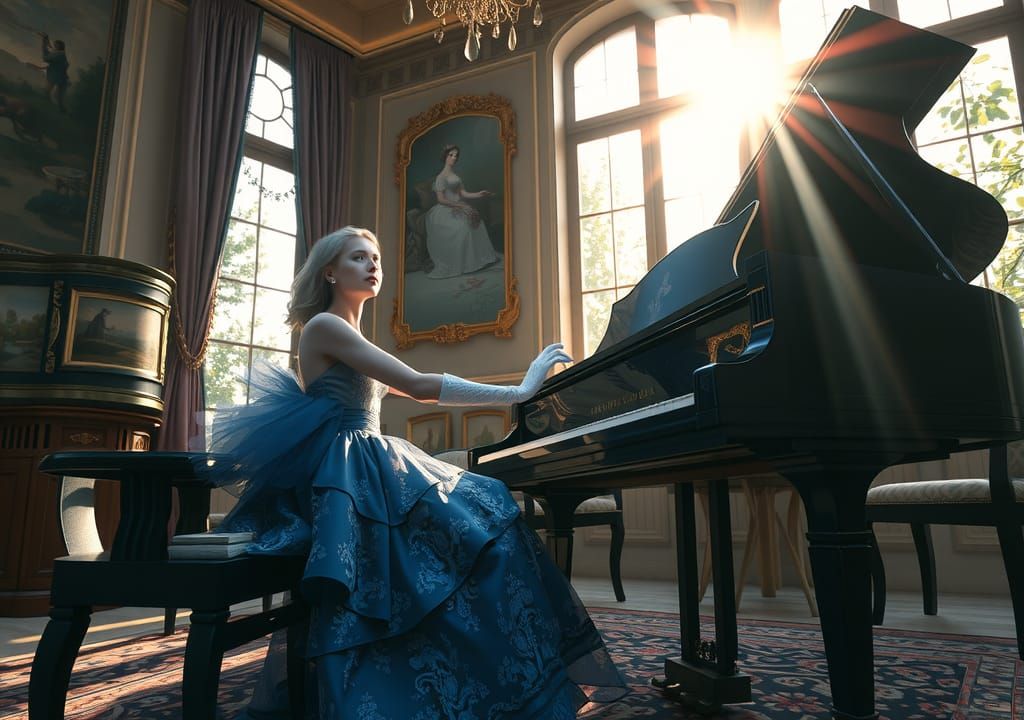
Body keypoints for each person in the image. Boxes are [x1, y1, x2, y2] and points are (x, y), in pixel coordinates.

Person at [209, 226, 626, 718]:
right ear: (329, 271)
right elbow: (416, 384)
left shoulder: (346, 330)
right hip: (350, 471)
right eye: (358, 257)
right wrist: (519, 389)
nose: (373, 266)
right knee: (480, 524)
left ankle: (478, 678)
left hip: (365, 462)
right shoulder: (325, 325)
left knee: (481, 524)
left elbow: (408, 387)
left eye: (377, 258)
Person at [423, 144, 500, 279]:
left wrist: (480, 194)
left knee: (477, 223)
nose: (454, 158)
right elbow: (441, 199)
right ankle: (463, 264)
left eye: (456, 155)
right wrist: (459, 206)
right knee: (462, 228)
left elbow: (464, 193)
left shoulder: (455, 175)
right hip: (446, 210)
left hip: (459, 206)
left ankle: (476, 261)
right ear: (445, 156)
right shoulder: (440, 177)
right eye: (451, 155)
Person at [37, 33, 69, 112]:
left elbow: (46, 58)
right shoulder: (60, 54)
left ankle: (48, 108)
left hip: (56, 77)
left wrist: (44, 44)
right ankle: (56, 109)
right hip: (58, 77)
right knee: (55, 96)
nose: (54, 46)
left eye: (55, 45)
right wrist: (45, 43)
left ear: (58, 46)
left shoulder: (59, 54)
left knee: (50, 93)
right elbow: (49, 54)